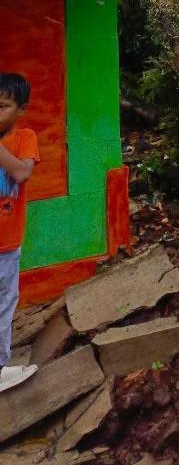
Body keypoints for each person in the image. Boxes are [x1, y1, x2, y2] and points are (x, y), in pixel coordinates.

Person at [0, 73, 40, 393]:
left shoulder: (25, 137)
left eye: (3, 106)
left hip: (7, 246)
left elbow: (22, 172)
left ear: (21, 110)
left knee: (3, 304)